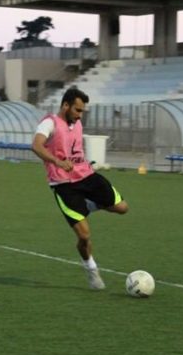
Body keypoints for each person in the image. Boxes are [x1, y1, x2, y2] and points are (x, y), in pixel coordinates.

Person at [31, 88, 129, 290]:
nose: (80, 114)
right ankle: (91, 268)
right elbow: (36, 146)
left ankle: (89, 205)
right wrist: (57, 161)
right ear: (65, 105)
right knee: (84, 236)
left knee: (122, 207)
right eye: (77, 110)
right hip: (64, 185)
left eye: (82, 111)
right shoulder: (49, 123)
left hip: (87, 176)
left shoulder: (76, 122)